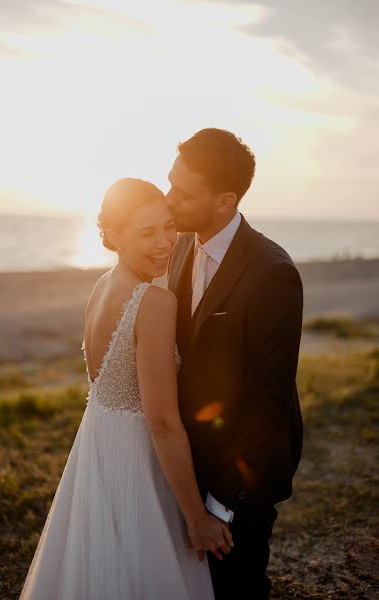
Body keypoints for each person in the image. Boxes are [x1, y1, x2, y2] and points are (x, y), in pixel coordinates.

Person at [19, 178, 232, 600]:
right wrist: (195, 517)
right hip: (137, 462)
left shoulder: (101, 288)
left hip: (97, 451)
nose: (165, 242)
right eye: (147, 232)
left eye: (169, 227)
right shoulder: (154, 303)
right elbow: (164, 423)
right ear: (114, 235)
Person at [166, 128, 304, 599]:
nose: (169, 200)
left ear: (226, 201)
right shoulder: (181, 244)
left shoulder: (273, 274)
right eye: (169, 183)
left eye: (182, 193)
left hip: (240, 478)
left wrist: (220, 506)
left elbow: (268, 402)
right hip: (189, 461)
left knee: (236, 588)